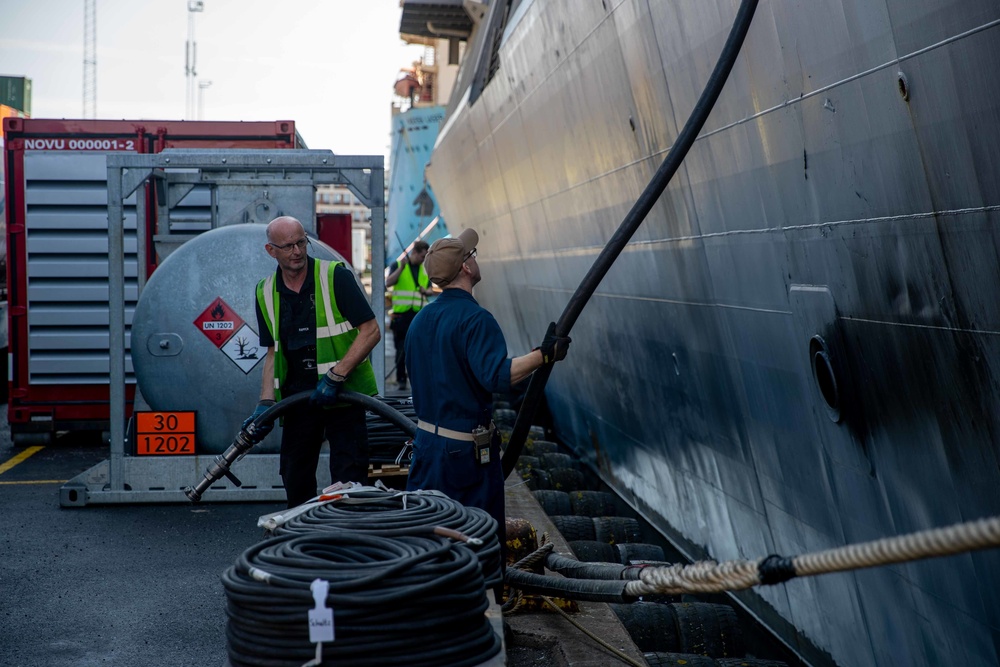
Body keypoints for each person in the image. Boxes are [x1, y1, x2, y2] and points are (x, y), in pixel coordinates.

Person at [403, 228, 570, 538]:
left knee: (430, 537)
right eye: (472, 255)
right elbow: (497, 376)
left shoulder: (419, 321)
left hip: (426, 447)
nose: (476, 259)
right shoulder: (476, 320)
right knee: (476, 539)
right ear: (466, 267)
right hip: (463, 457)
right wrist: (544, 355)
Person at [242, 216, 381, 508]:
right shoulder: (265, 292)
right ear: (271, 251)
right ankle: (304, 541)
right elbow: (272, 352)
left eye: (301, 242)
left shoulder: (335, 277)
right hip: (297, 400)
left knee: (350, 478)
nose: (297, 251)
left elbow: (370, 332)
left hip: (343, 395)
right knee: (296, 476)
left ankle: (351, 541)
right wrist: (266, 403)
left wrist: (335, 376)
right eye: (288, 246)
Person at [385, 239, 431, 391]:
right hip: (401, 315)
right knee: (401, 349)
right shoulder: (398, 265)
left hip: (418, 315)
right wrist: (402, 268)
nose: (423, 260)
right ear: (414, 252)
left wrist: (426, 291)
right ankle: (401, 380)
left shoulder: (424, 270)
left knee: (418, 349)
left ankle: (417, 379)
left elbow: (430, 289)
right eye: (422, 256)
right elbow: (389, 282)